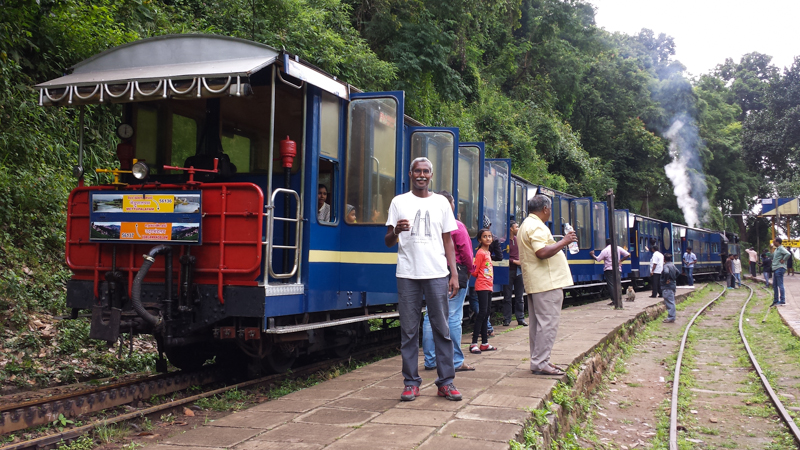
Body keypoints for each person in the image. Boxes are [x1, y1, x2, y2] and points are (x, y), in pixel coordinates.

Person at [385, 157, 462, 402]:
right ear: (410, 174)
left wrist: (454, 274)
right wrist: (396, 231)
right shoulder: (399, 202)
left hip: (437, 274)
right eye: (417, 171)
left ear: (431, 175)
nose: (421, 174)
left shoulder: (441, 203)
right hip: (408, 274)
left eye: (426, 171)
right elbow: (388, 241)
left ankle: (446, 382)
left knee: (442, 329)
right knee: (408, 331)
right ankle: (411, 383)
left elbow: (448, 241)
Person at [518, 194, 577, 376]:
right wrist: (564, 241)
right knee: (548, 323)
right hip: (547, 283)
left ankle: (539, 359)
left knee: (538, 325)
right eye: (549, 209)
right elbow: (541, 252)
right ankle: (541, 362)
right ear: (545, 209)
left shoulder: (526, 224)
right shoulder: (536, 226)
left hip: (538, 282)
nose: (550, 212)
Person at [421, 191, 475, 372]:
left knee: (430, 317)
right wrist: (469, 271)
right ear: (450, 205)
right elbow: (466, 253)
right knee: (453, 316)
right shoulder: (457, 226)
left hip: (432, 272)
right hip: (453, 273)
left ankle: (430, 360)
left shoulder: (428, 225)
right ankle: (456, 361)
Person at [470, 228, 498, 354]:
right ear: (480, 240)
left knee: (486, 313)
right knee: (482, 313)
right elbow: (475, 271)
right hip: (482, 286)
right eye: (485, 236)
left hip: (488, 286)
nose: (488, 238)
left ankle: (485, 343)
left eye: (489, 236)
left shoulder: (488, 253)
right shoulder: (480, 253)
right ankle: (474, 343)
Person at [589, 238, 631, 305]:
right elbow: (627, 254)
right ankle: (619, 299)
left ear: (606, 243)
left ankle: (614, 301)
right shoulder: (618, 248)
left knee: (611, 285)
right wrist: (620, 260)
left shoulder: (605, 250)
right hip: (618, 269)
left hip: (609, 270)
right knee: (618, 284)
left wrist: (592, 255)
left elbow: (598, 259)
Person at [503, 221, 527, 326]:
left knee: (519, 296)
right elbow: (502, 257)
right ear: (511, 229)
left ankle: (520, 318)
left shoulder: (519, 240)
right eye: (516, 227)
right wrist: (514, 261)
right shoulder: (504, 241)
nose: (518, 229)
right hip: (508, 271)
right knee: (507, 296)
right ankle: (507, 319)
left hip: (519, 271)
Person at [660, 253, 680, 323]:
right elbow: (678, 272)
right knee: (671, 300)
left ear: (664, 259)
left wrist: (666, 280)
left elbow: (666, 272)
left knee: (670, 302)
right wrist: (673, 279)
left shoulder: (666, 266)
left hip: (667, 286)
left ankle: (671, 317)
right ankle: (671, 316)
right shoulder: (672, 265)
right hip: (673, 285)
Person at [772, 238, 790, 306]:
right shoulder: (776, 249)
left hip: (780, 268)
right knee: (774, 285)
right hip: (776, 268)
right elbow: (772, 256)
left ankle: (782, 300)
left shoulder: (781, 248)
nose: (773, 243)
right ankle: (776, 300)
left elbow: (788, 253)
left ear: (778, 242)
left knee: (780, 284)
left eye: (774, 242)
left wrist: (784, 259)